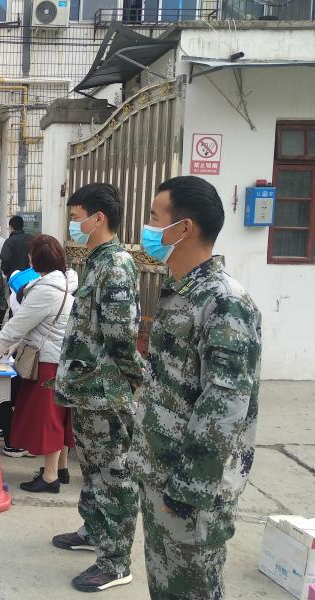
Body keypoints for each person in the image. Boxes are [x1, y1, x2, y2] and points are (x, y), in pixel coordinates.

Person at [130, 176, 262, 599]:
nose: (148, 229)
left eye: (155, 218)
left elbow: (225, 404)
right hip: (162, 477)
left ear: (183, 228)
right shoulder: (182, 293)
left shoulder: (224, 301)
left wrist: (188, 489)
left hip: (191, 493)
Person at [52, 183, 145, 593]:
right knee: (92, 469)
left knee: (114, 475)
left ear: (98, 218)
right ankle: (94, 531)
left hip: (106, 394)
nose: (73, 225)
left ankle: (116, 561)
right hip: (88, 390)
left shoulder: (117, 265)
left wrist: (136, 379)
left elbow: (121, 336)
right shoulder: (97, 261)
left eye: (76, 218)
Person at [0, 235, 78, 488]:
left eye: (32, 253)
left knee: (48, 419)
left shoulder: (45, 290)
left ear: (38, 259)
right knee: (60, 417)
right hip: (61, 360)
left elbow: (16, 327)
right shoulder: (63, 284)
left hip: (47, 363)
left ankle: (50, 477)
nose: (29, 257)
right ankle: (61, 469)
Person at [0, 264, 42, 454]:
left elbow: (18, 330)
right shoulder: (35, 301)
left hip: (38, 365)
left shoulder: (40, 304)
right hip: (29, 362)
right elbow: (17, 330)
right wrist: (10, 347)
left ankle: (13, 441)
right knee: (2, 393)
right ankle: (7, 432)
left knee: (3, 395)